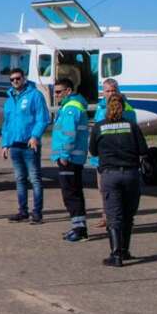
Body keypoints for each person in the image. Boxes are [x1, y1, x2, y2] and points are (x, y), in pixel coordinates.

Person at [89, 93, 149, 266]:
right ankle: (125, 250)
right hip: (130, 174)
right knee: (128, 215)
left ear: (107, 107)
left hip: (110, 174)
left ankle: (116, 255)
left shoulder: (99, 127)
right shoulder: (132, 126)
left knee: (114, 215)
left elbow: (93, 151)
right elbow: (143, 150)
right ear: (123, 107)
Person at [0, 67, 50, 224]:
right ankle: (23, 211)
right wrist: (5, 144)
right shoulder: (9, 101)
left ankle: (37, 213)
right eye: (12, 79)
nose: (15, 81)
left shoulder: (35, 95)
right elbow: (7, 124)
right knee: (20, 179)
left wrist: (35, 136)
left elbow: (43, 118)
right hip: (15, 145)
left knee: (34, 178)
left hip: (29, 145)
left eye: (18, 78)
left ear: (24, 78)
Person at [91, 78, 138, 228]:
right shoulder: (100, 107)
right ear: (102, 92)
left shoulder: (128, 109)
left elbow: (131, 133)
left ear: (118, 91)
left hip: (118, 158)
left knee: (119, 193)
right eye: (108, 91)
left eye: (113, 90)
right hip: (102, 158)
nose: (111, 93)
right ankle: (106, 216)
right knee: (103, 190)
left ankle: (119, 220)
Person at [51, 78, 89, 242]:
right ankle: (79, 227)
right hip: (74, 157)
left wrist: (64, 155)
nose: (56, 95)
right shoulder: (70, 106)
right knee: (74, 192)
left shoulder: (71, 108)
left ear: (68, 91)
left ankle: (79, 230)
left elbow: (69, 134)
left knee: (70, 194)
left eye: (59, 92)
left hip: (70, 158)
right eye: (55, 92)